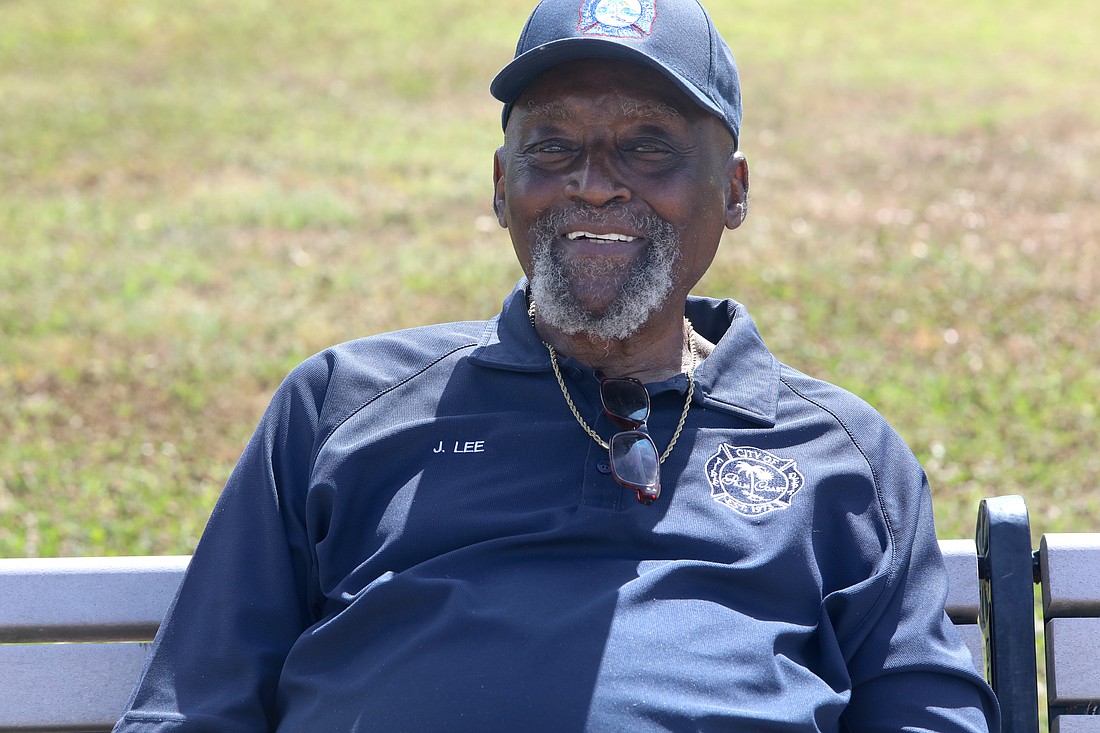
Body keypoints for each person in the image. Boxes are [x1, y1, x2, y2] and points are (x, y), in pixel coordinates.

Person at [114, 0, 1000, 730]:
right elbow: (192, 709)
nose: (594, 183)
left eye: (647, 146)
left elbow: (925, 714)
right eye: (554, 147)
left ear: (732, 189)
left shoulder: (842, 456)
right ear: (503, 183)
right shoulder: (343, 408)